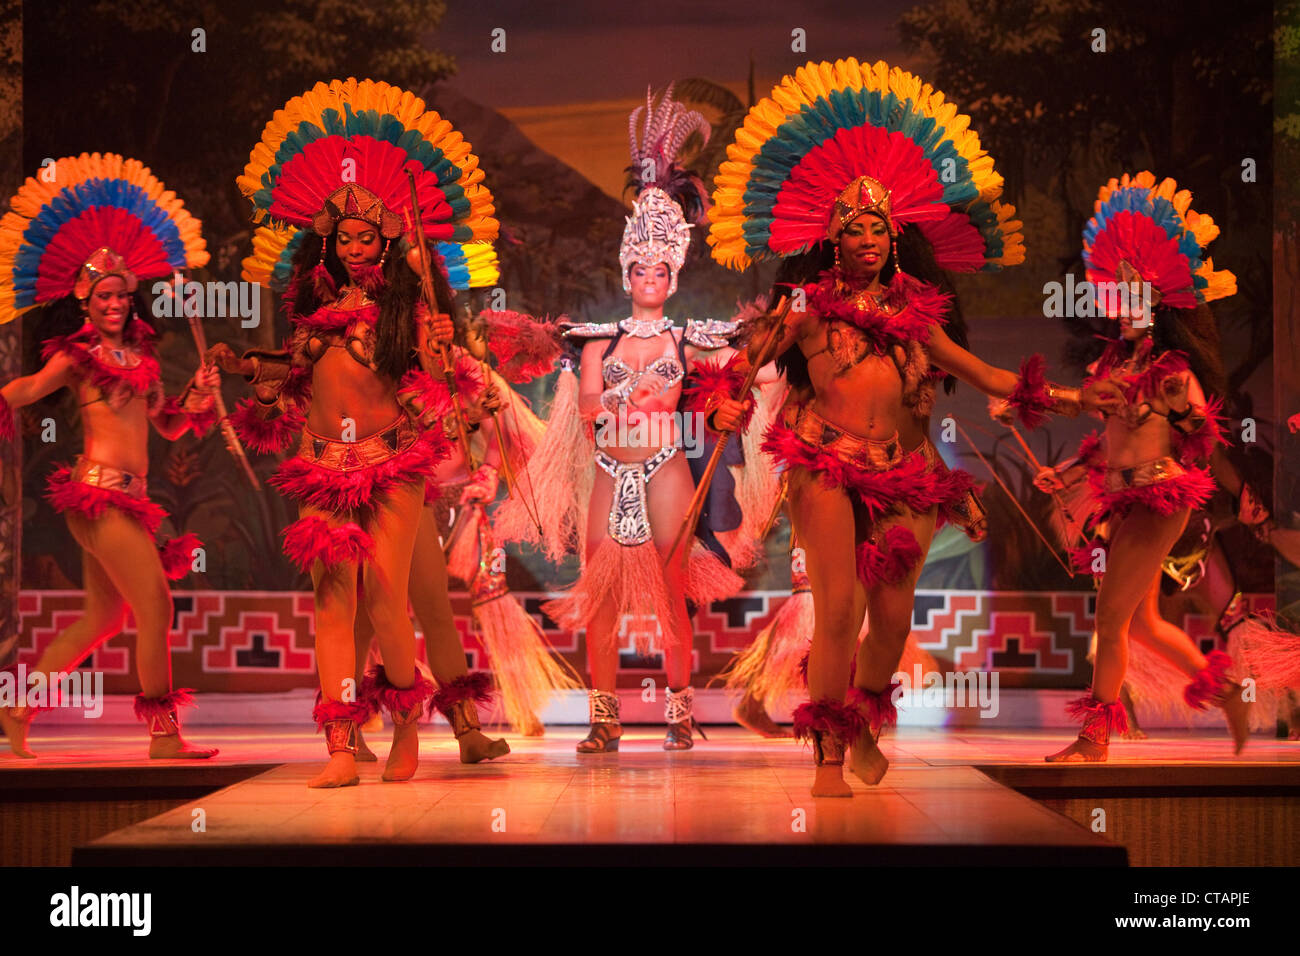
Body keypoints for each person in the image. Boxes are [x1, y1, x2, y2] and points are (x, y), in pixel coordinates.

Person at [702, 59, 1119, 796]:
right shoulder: (805, 314)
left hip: (907, 472)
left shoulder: (915, 318)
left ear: (895, 239)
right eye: (853, 228)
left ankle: (862, 721)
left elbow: (990, 378)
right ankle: (828, 754)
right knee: (839, 610)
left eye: (879, 228)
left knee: (891, 622)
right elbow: (740, 366)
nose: (867, 238)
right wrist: (721, 406)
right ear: (832, 239)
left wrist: (1080, 398)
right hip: (825, 465)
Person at [211, 78, 504, 787]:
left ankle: (411, 725)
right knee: (332, 602)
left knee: (386, 593)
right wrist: (246, 366)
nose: (353, 248)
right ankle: (340, 746)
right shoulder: (317, 307)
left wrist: (439, 339)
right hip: (322, 466)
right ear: (329, 243)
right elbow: (295, 372)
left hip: (394, 461)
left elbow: (437, 377)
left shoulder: (406, 310)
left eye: (366, 237)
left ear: (387, 239)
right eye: (342, 238)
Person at [508, 87, 754, 751]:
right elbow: (589, 410)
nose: (649, 275)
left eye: (660, 267)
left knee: (672, 589)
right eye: (639, 266)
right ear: (628, 271)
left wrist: (721, 399)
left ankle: (679, 714)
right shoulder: (598, 341)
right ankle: (603, 719)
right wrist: (616, 400)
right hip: (610, 468)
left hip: (667, 467)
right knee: (603, 596)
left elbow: (733, 381)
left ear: (672, 273)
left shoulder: (690, 338)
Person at [0, 153, 218, 758]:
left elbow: (169, 427)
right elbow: (24, 390)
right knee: (156, 605)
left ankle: (19, 707)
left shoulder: (143, 362)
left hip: (131, 499)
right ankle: (164, 736)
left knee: (104, 619)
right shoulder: (75, 357)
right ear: (85, 300)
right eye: (104, 295)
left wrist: (197, 397)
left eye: (123, 294)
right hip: (100, 497)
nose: (116, 303)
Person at [1034, 171, 1250, 760]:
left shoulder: (1173, 366)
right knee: (1140, 624)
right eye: (1116, 295)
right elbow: (1105, 446)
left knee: (1108, 619)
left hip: (1160, 501)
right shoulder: (1111, 365)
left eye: (1135, 296)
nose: (1124, 305)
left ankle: (1094, 737)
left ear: (1155, 303)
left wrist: (1182, 413)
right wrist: (1071, 478)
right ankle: (1225, 688)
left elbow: (1201, 440)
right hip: (1118, 500)